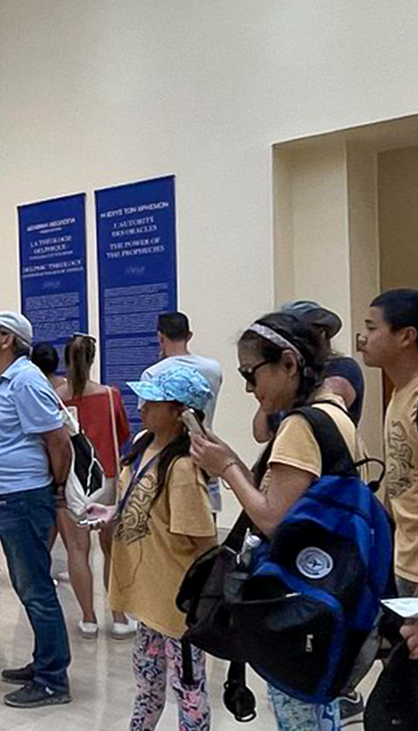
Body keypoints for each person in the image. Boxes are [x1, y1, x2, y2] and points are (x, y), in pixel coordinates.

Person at [189, 311, 362, 731]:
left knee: (298, 715)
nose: (250, 388)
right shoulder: (334, 411)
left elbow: (272, 519)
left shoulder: (302, 426)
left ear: (288, 363)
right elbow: (287, 501)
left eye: (252, 373)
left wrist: (226, 467)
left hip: (298, 601)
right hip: (329, 590)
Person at [84, 366, 217, 731]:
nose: (141, 406)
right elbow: (142, 503)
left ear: (180, 412)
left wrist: (202, 607)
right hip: (147, 597)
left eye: (153, 401)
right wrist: (113, 512)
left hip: (178, 609)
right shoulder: (144, 445)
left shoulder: (185, 468)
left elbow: (205, 545)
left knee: (188, 691)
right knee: (146, 684)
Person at [0, 310, 74, 709]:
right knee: (28, 584)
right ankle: (44, 662)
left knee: (35, 587)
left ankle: (52, 679)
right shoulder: (6, 381)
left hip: (24, 495)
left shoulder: (26, 380)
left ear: (7, 340)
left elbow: (58, 439)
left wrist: (58, 488)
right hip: (11, 495)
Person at [57, 333, 135, 640]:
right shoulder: (109, 394)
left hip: (70, 481)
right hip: (106, 477)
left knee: (78, 549)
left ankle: (88, 619)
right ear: (92, 360)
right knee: (111, 549)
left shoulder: (56, 398)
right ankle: (118, 617)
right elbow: (123, 432)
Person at [359, 288, 418, 596]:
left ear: (406, 336)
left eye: (372, 328)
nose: (363, 338)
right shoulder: (399, 391)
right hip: (405, 558)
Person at [145, 312, 225, 515]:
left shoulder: (153, 373)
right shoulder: (213, 369)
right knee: (206, 518)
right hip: (205, 449)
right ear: (189, 335)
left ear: (160, 337)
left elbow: (149, 421)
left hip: (167, 457)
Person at [283, 300, 366, 423]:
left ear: (322, 334)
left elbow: (323, 408)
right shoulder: (290, 371)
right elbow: (261, 432)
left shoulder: (343, 367)